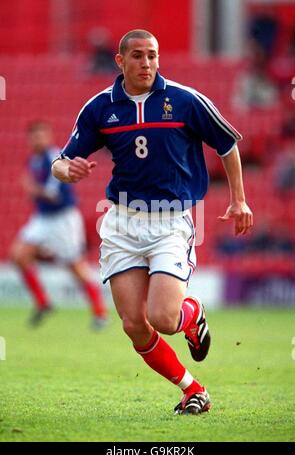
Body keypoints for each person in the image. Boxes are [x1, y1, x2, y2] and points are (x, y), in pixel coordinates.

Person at [52, 30, 253, 415]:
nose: (147, 63)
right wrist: (68, 169)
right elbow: (61, 161)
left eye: (153, 56)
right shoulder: (100, 107)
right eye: (139, 56)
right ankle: (193, 390)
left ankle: (192, 315)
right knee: (134, 325)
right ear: (120, 61)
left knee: (163, 318)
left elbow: (226, 143)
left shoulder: (184, 100)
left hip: (170, 222)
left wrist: (240, 200)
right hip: (122, 224)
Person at [10, 121, 108, 329]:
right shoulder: (33, 161)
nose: (38, 140)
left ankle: (100, 312)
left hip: (63, 218)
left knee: (75, 266)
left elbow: (53, 195)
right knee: (19, 255)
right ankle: (43, 303)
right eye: (34, 136)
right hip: (43, 218)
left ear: (48, 136)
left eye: (41, 135)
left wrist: (32, 188)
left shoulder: (54, 158)